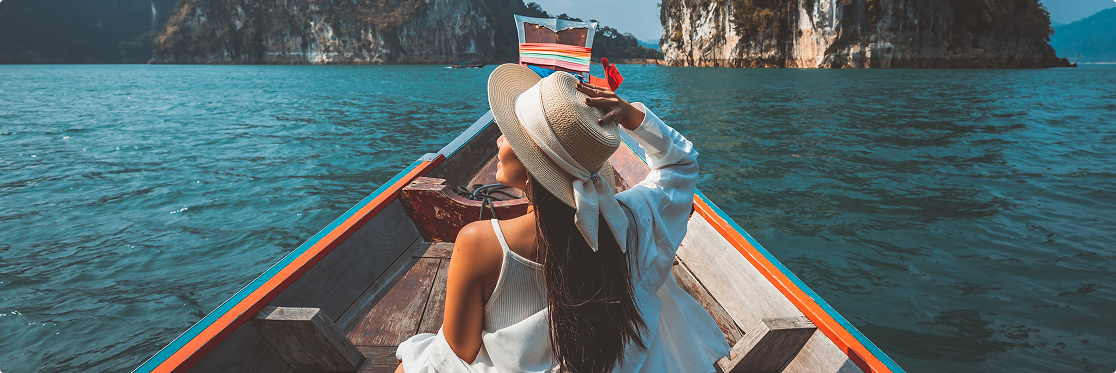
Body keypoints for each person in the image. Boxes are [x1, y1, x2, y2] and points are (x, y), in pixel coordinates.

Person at [395, 64, 729, 373]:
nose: (498, 139)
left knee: (412, 360)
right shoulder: (633, 219)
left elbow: (456, 356)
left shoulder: (479, 242)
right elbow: (681, 163)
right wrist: (629, 113)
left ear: (532, 160)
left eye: (509, 133)